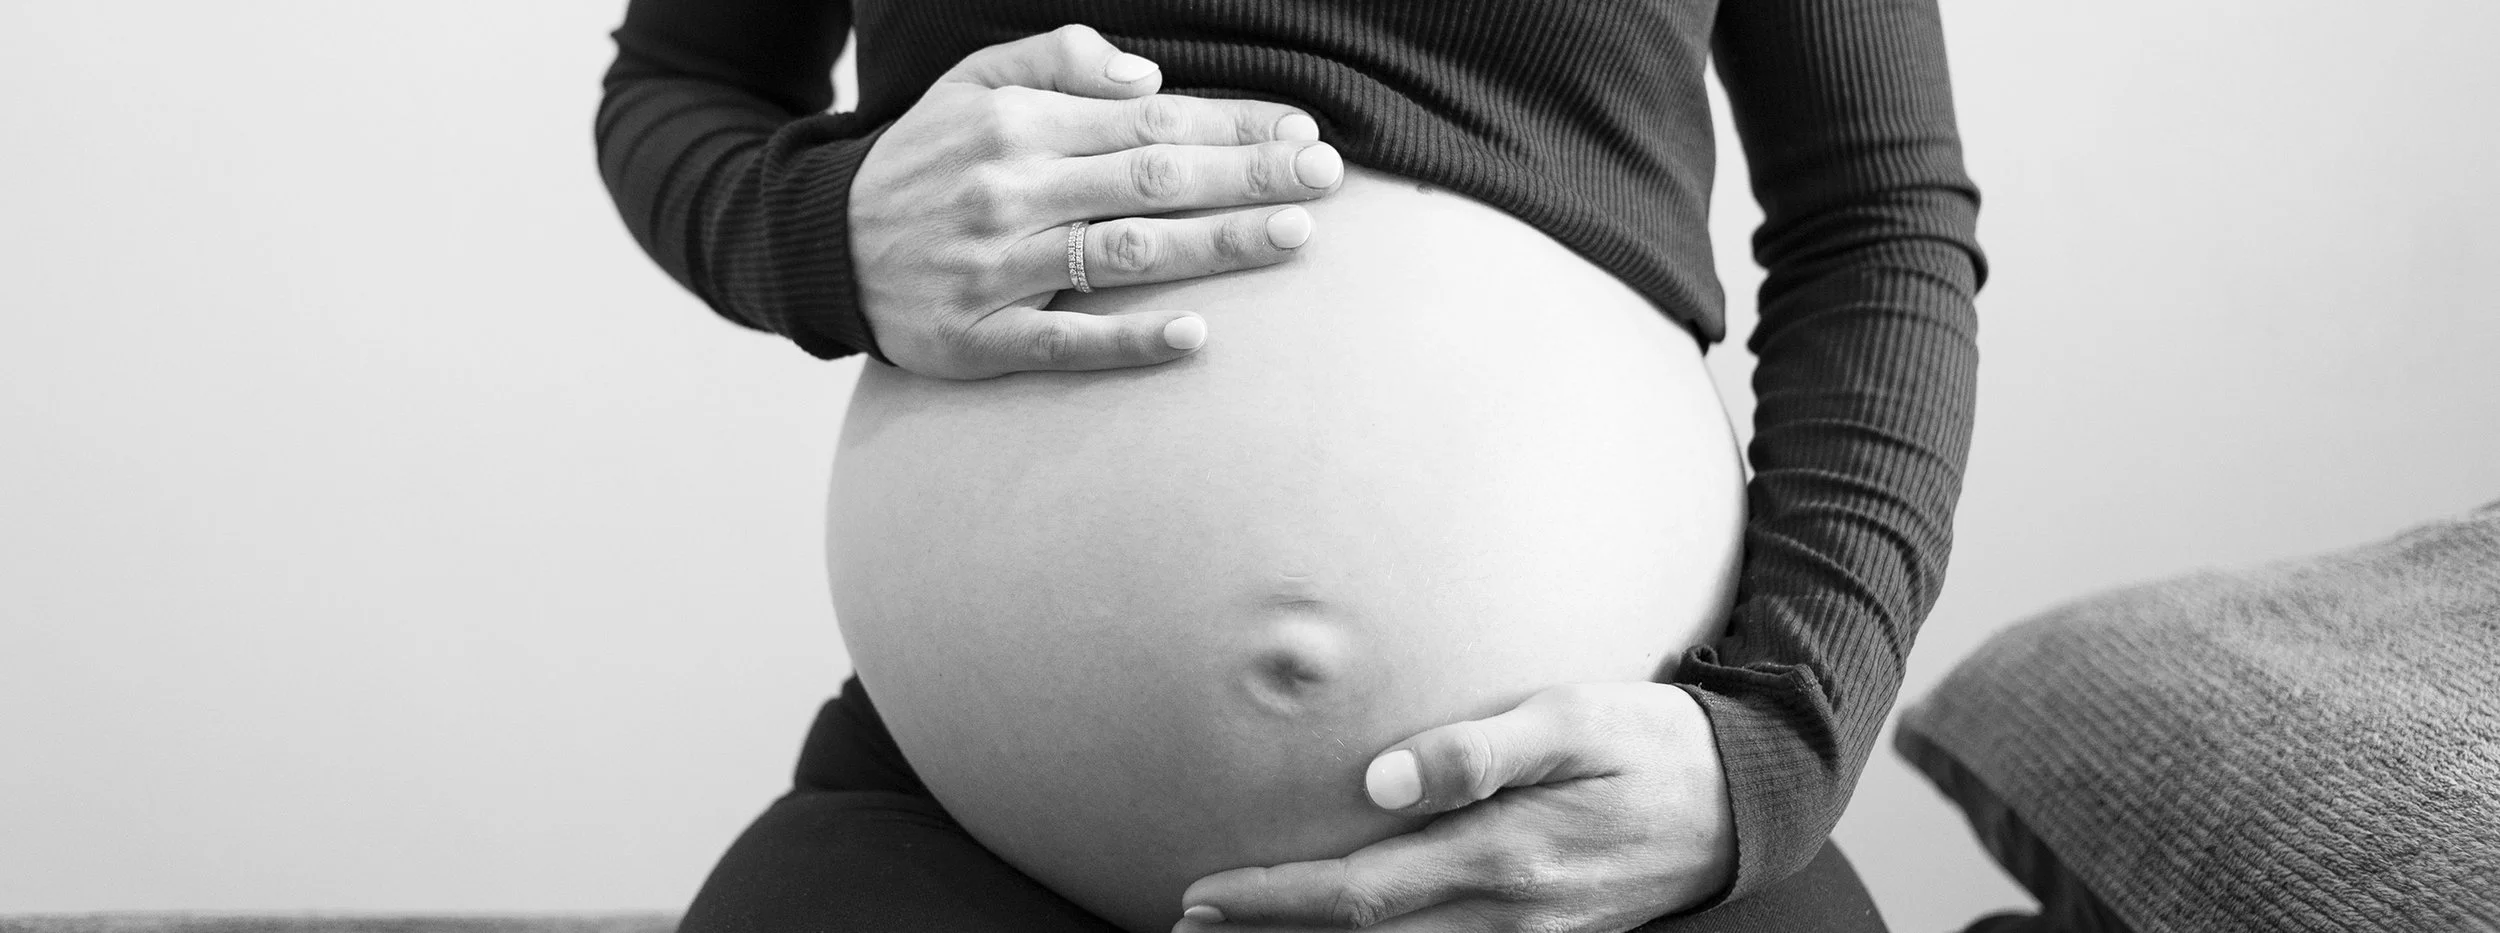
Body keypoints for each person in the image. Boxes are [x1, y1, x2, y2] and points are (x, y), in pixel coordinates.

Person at [594, 1, 1984, 930]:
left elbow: (1877, 221)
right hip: (963, 821)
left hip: (1598, 831)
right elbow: (683, 84)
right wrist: (825, 224)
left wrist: (1780, 746)